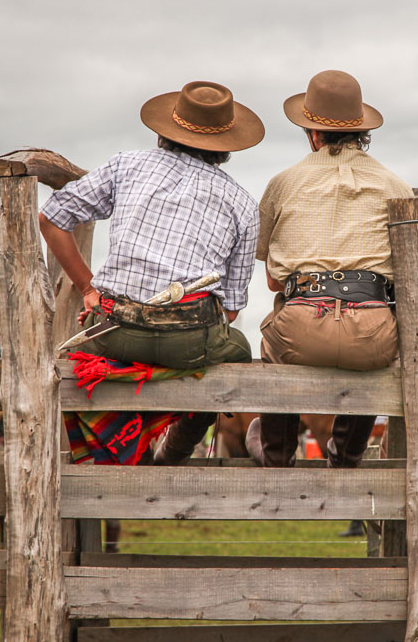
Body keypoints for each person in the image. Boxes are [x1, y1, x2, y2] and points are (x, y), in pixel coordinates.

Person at [40, 81, 262, 465]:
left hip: (113, 331)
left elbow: (52, 218)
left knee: (79, 352)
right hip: (190, 341)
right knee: (239, 349)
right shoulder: (242, 201)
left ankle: (117, 438)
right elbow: (230, 309)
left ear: (166, 131)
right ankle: (176, 447)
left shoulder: (127, 165)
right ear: (226, 144)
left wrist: (88, 288)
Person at [246, 69, 411, 469]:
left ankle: (277, 455)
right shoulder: (395, 186)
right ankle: (347, 455)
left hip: (302, 321)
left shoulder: (282, 184)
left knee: (273, 347)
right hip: (371, 326)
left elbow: (271, 278)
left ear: (313, 133)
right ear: (361, 131)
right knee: (376, 361)